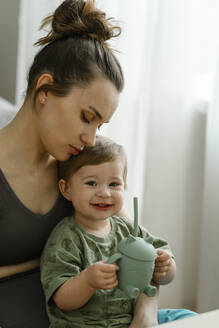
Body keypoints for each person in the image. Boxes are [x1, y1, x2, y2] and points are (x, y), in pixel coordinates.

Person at [0, 1, 125, 327]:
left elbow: (139, 244)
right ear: (45, 89)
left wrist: (145, 315)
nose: (90, 138)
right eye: (87, 117)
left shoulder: (79, 168)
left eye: (100, 126)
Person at [40, 135, 195, 328]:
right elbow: (61, 299)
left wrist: (165, 266)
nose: (105, 193)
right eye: (91, 183)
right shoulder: (66, 238)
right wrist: (87, 281)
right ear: (67, 189)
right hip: (87, 325)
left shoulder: (128, 228)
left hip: (130, 321)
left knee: (189, 317)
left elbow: (165, 275)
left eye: (114, 184)